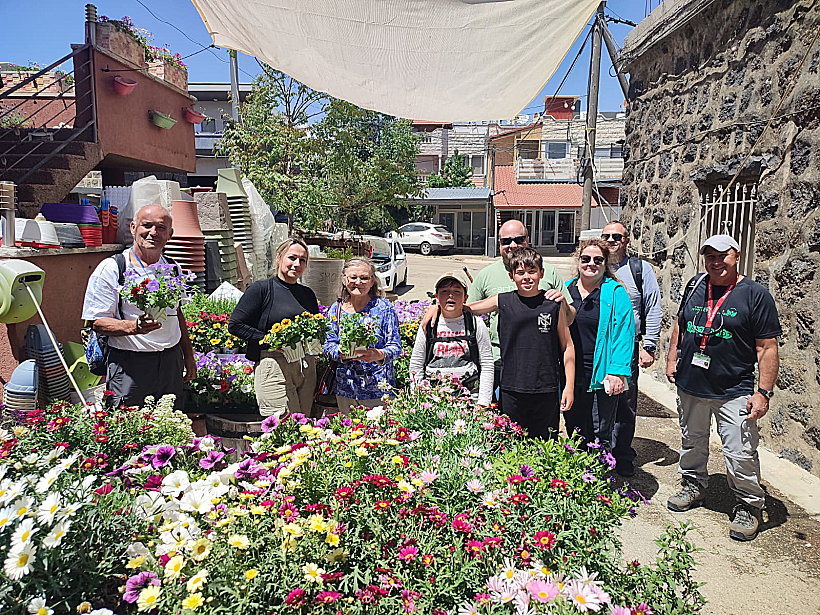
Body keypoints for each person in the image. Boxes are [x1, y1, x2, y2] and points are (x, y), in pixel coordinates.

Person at [666, 234, 781, 541]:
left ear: (737, 256)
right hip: (691, 384)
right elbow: (681, 323)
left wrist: (763, 392)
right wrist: (672, 358)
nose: (716, 262)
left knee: (739, 451)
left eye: (722, 256)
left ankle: (748, 504)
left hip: (734, 389)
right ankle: (693, 484)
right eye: (710, 256)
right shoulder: (695, 285)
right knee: (692, 440)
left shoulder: (755, 295)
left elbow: (767, 347)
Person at [427, 219, 574, 406]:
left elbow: (569, 325)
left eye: (519, 239)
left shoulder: (550, 275)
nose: (512, 245)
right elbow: (465, 308)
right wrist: (438, 306)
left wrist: (562, 305)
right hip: (499, 365)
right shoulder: (489, 278)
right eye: (506, 241)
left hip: (543, 372)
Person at [81, 204, 196, 410]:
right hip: (130, 366)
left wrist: (188, 355)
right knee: (128, 425)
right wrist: (133, 327)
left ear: (170, 234)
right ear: (133, 228)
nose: (153, 232)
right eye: (147, 225)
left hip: (170, 364)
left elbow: (177, 313)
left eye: (161, 228)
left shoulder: (173, 269)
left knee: (170, 423)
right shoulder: (113, 268)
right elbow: (96, 322)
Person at [465, 247, 575, 439]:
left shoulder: (552, 305)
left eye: (532, 271)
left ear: (541, 273)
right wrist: (437, 308)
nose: (526, 277)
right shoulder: (502, 300)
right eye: (520, 272)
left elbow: (567, 346)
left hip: (546, 389)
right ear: (511, 276)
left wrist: (569, 387)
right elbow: (467, 309)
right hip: (511, 389)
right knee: (510, 444)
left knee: (545, 445)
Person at [229, 238, 319, 418]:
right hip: (273, 363)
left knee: (304, 425)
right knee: (282, 425)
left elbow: (315, 328)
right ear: (278, 258)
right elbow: (236, 325)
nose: (297, 264)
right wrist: (269, 340)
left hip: (304, 366)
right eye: (292, 257)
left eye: (302, 260)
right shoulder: (261, 289)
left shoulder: (307, 294)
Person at [601, 221, 663, 477]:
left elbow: (654, 307)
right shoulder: (595, 265)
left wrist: (649, 345)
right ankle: (599, 451)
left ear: (626, 240)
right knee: (597, 399)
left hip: (627, 346)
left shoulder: (640, 269)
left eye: (617, 236)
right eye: (606, 236)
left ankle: (622, 454)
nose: (611, 240)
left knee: (625, 401)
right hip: (598, 346)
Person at [563, 238, 635, 451]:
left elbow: (624, 334)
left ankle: (599, 470)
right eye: (586, 259)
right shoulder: (567, 289)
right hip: (571, 374)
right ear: (578, 261)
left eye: (597, 260)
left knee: (599, 431)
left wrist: (617, 371)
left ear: (605, 263)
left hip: (602, 375)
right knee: (574, 429)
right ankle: (577, 469)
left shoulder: (615, 293)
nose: (591, 264)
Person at [323, 258, 402, 413]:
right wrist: (339, 353)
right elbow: (328, 344)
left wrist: (378, 355)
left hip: (378, 389)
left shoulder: (383, 308)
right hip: (346, 389)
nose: (358, 282)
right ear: (344, 280)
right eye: (353, 277)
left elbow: (395, 346)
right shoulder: (336, 309)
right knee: (348, 427)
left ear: (372, 281)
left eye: (364, 278)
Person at [408, 270, 494, 407]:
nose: (450, 295)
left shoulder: (475, 324)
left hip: (469, 399)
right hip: (433, 399)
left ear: (465, 298)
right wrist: (417, 400)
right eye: (444, 291)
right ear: (437, 297)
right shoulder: (429, 325)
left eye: (457, 291)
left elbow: (487, 364)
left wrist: (482, 403)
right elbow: (416, 364)